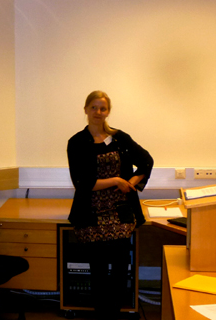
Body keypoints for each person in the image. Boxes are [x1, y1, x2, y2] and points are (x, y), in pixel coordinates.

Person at [67, 90, 153, 320]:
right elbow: (82, 183)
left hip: (120, 213)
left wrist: (130, 183)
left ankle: (114, 314)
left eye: (102, 108)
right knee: (98, 272)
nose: (98, 112)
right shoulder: (76, 142)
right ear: (86, 110)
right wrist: (116, 180)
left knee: (119, 271)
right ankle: (102, 314)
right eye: (93, 107)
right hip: (91, 213)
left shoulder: (120, 138)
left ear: (108, 112)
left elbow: (146, 161)